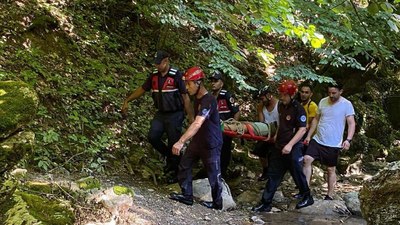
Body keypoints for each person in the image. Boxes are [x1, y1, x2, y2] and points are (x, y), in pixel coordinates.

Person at [121, 50, 194, 183]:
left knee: (174, 143)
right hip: (160, 114)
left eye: (158, 63)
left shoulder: (176, 75)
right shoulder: (154, 76)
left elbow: (185, 97)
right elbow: (142, 89)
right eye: (155, 64)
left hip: (175, 114)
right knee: (153, 137)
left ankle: (176, 172)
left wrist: (190, 117)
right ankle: (169, 158)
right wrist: (128, 100)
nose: (156, 66)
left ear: (166, 61)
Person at [253, 80, 314, 212]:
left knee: (297, 173)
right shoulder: (281, 106)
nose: (282, 97)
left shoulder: (299, 109)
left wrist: (290, 145)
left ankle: (307, 196)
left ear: (292, 95)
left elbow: (302, 130)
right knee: (273, 174)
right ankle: (266, 202)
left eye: (285, 95)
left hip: (293, 147)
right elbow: (281, 122)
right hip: (279, 145)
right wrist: (276, 137)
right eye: (281, 94)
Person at [169, 66, 223, 210]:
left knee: (214, 174)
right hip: (198, 140)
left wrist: (181, 141)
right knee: (184, 165)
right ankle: (187, 196)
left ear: (198, 83)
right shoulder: (197, 98)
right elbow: (194, 119)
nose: (187, 87)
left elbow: (198, 122)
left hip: (211, 143)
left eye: (189, 83)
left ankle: (217, 203)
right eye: (186, 83)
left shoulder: (209, 100)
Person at [303, 82, 356, 200]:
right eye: (329, 93)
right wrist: (309, 135)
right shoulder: (323, 101)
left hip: (333, 143)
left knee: (330, 169)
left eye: (334, 93)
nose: (331, 95)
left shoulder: (346, 104)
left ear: (340, 91)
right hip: (318, 139)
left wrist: (348, 140)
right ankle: (305, 190)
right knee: (306, 159)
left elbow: (351, 123)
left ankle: (330, 195)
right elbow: (316, 119)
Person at [209, 71, 240, 178]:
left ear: (221, 83)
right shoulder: (209, 97)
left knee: (224, 150)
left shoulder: (227, 95)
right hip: (213, 129)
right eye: (212, 81)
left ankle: (223, 172)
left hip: (226, 129)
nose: (213, 83)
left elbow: (236, 111)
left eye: (216, 81)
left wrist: (233, 127)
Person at [251, 85, 279, 181]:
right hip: (266, 131)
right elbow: (261, 121)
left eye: (262, 98)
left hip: (278, 131)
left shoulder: (279, 105)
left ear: (268, 95)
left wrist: (276, 134)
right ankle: (265, 170)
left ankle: (274, 172)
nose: (261, 100)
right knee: (260, 150)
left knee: (274, 153)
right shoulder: (261, 107)